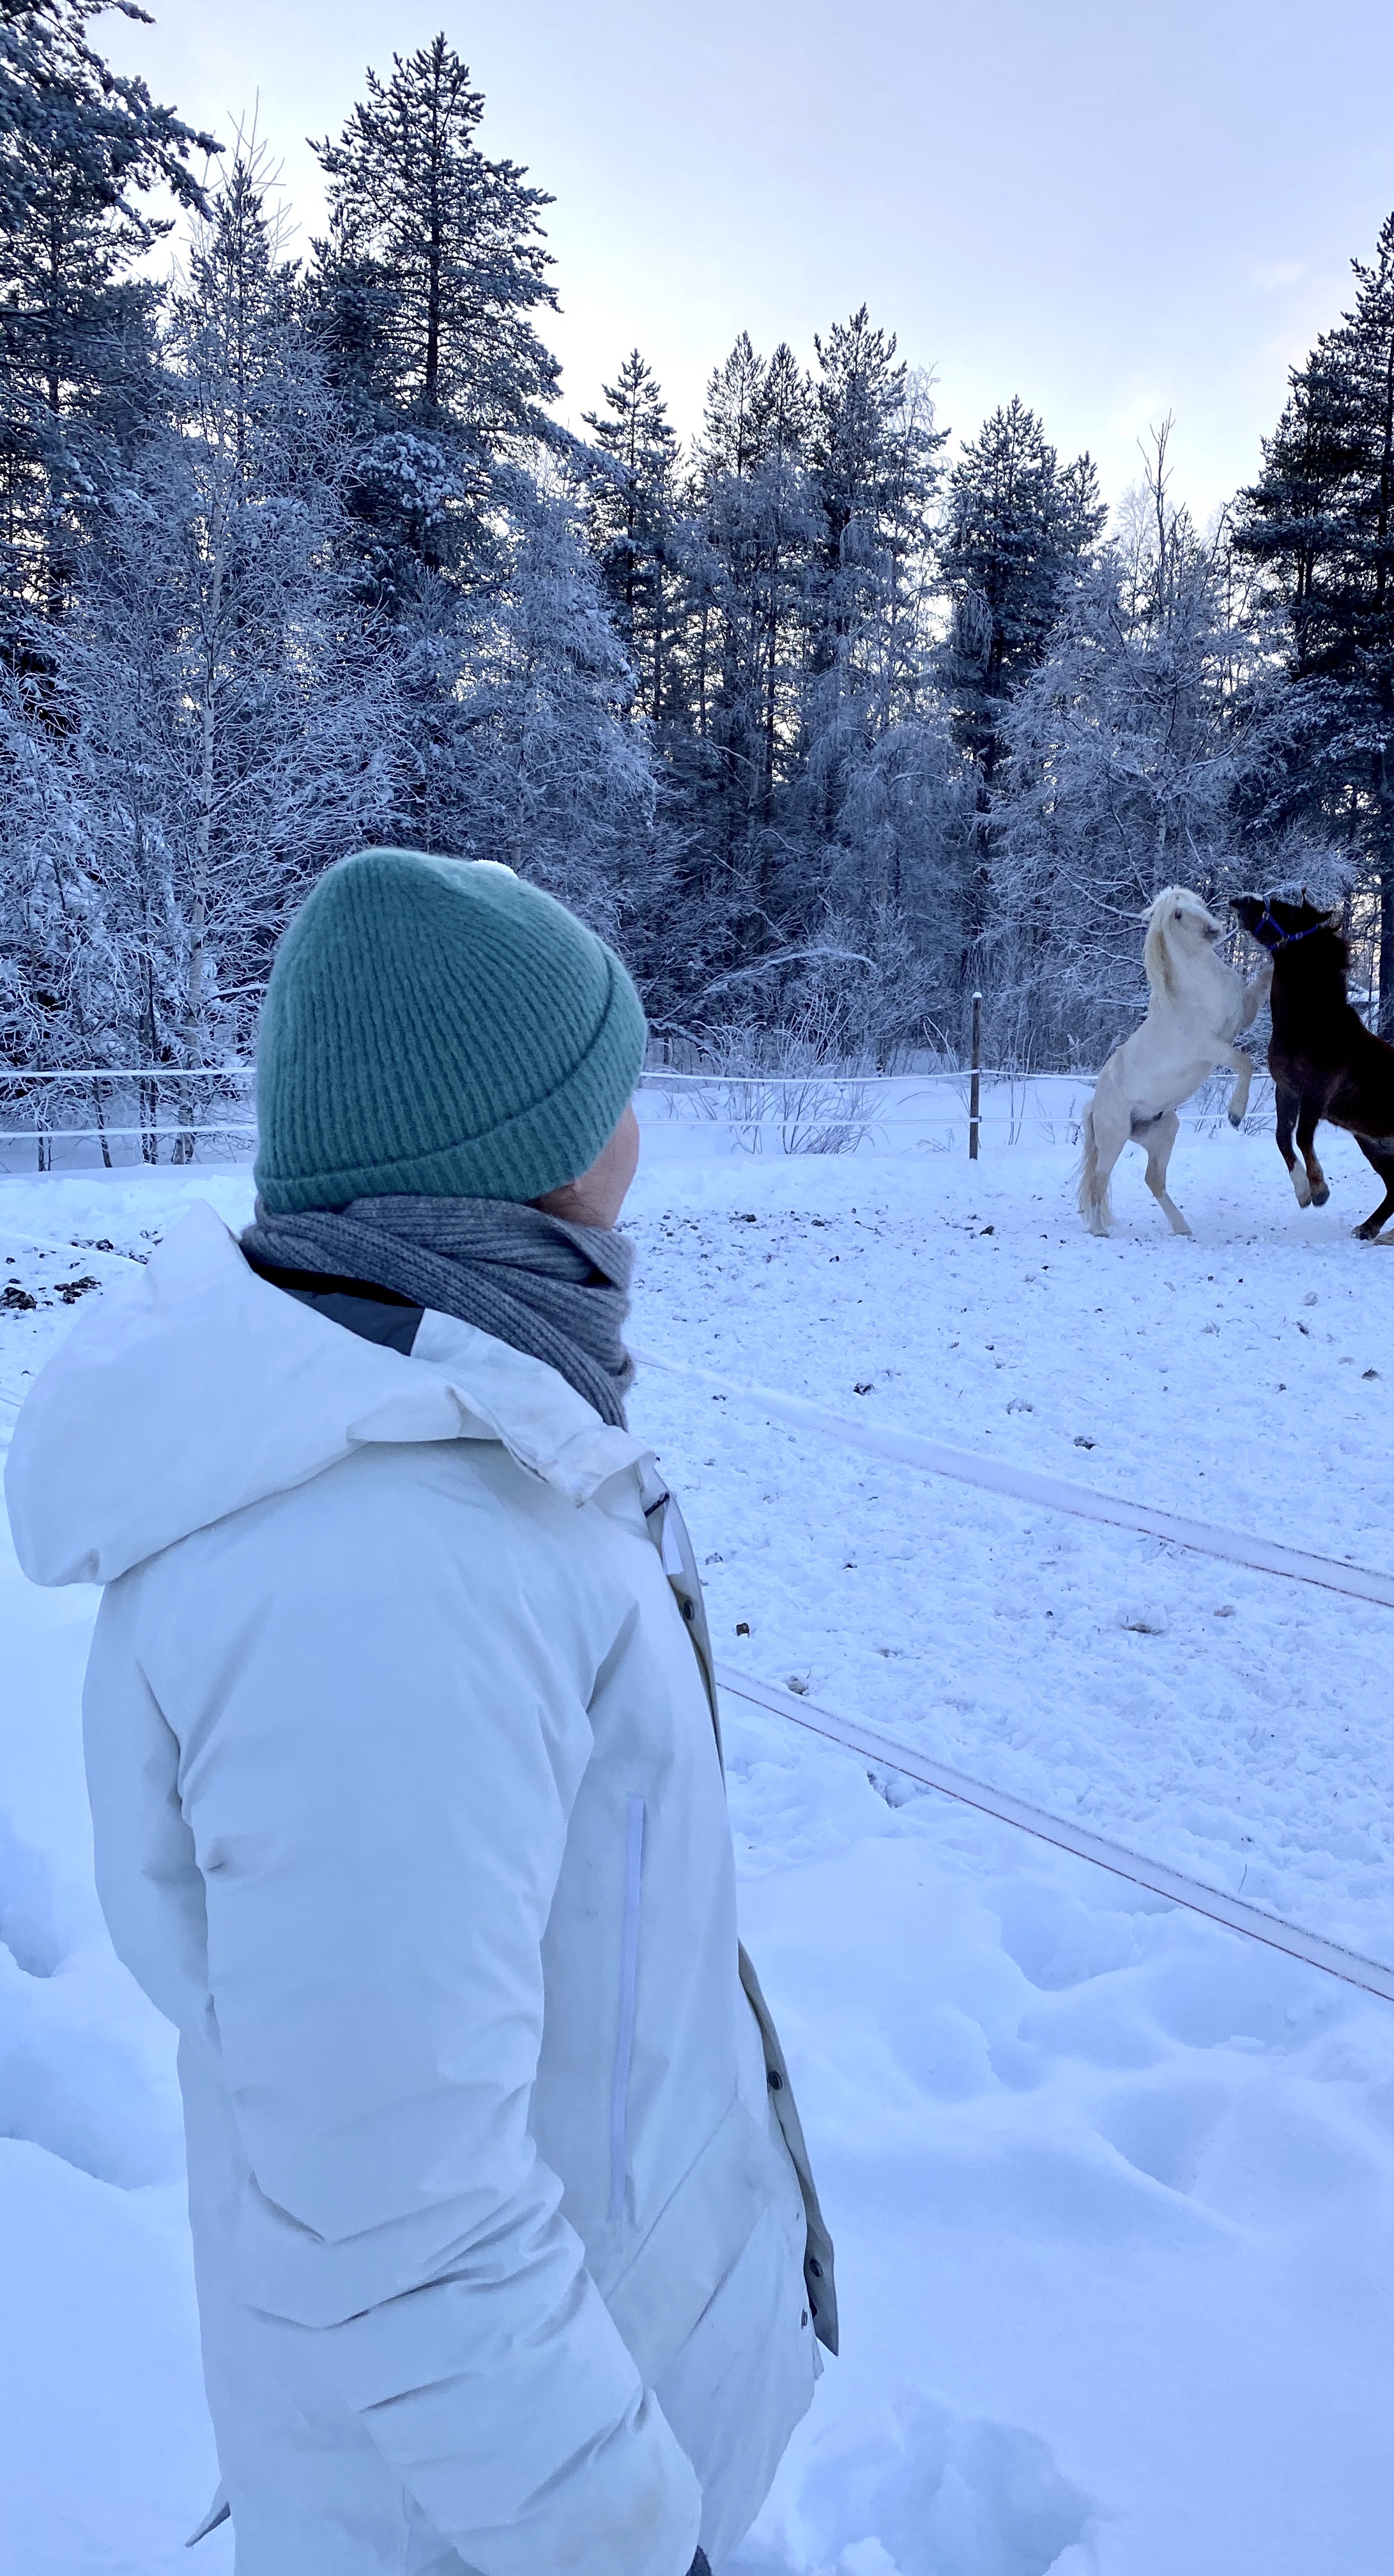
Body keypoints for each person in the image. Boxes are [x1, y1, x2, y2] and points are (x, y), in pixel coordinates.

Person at [4, 848, 835, 2576]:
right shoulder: (378, 1567)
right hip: (495, 2518)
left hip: (556, 2425)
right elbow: (404, 2211)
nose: (640, 1120)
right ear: (512, 1140)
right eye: (610, 1083)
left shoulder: (454, 1440)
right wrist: (619, 2537)